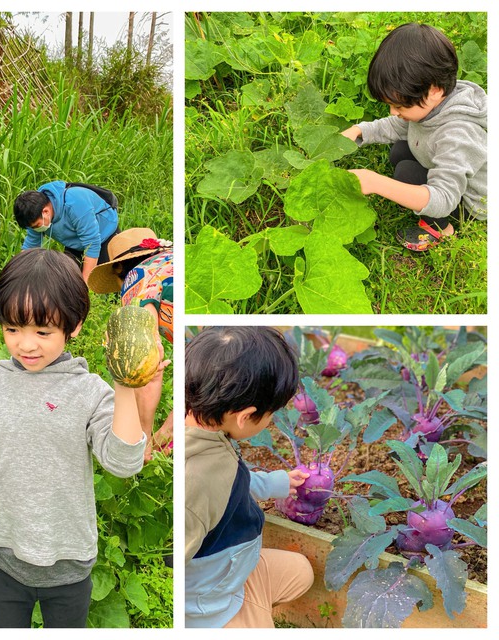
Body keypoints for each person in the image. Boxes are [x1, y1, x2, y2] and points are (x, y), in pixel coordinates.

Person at [0, 248, 147, 628]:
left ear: (75, 326)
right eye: (12, 329)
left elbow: (122, 462)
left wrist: (125, 385)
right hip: (3, 558)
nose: (26, 344)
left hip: (68, 562)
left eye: (43, 331)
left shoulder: (89, 391)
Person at [184, 326, 314, 628]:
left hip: (233, 578)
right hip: (208, 608)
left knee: (301, 572)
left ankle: (242, 596)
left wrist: (276, 483)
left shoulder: (210, 434)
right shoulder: (196, 483)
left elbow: (232, 484)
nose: (272, 421)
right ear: (245, 417)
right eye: (271, 415)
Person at [341, 23, 487, 251]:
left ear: (434, 90)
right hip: (447, 167)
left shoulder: (458, 133)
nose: (393, 111)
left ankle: (443, 231)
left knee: (405, 172)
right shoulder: (434, 103)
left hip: (468, 201)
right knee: (400, 150)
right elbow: (397, 125)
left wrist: (375, 182)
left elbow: (444, 198)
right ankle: (418, 186)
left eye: (399, 105)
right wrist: (358, 131)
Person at [88, 227, 173, 462]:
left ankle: (149, 447)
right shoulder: (173, 260)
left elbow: (143, 369)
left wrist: (143, 439)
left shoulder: (137, 279)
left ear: (119, 269)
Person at [14, 181, 119, 281]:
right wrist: (16, 275)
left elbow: (92, 244)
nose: (36, 229)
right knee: (66, 280)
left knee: (109, 281)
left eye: (36, 226)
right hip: (76, 243)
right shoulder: (34, 214)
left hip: (105, 235)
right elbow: (30, 248)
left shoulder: (75, 203)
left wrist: (85, 283)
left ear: (45, 211)